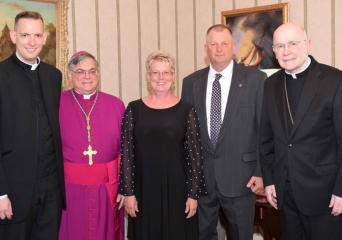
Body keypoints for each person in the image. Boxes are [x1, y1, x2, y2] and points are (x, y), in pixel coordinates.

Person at [181, 24, 266, 240]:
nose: (219, 49)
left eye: (224, 43)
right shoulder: (191, 83)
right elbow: (187, 134)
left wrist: (260, 170)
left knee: (240, 235)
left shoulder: (255, 80)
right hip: (202, 179)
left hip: (242, 177)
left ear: (233, 46)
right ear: (206, 48)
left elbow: (263, 128)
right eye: (213, 44)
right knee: (201, 234)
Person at [260, 22, 342, 240]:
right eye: (279, 46)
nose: (286, 52)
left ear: (308, 44)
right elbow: (266, 138)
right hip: (285, 194)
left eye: (292, 44)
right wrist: (268, 180)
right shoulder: (270, 84)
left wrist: (341, 190)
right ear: (274, 51)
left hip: (325, 195)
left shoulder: (335, 80)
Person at [0, 11, 65, 240]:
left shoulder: (53, 76)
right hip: (12, 193)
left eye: (37, 35)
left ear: (44, 38)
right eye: (25, 35)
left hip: (50, 192)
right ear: (13, 36)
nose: (32, 42)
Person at [119, 50, 207, 240]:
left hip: (178, 190)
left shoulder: (187, 109)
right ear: (148, 76)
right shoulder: (134, 109)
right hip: (143, 189)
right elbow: (127, 153)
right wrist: (128, 193)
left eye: (165, 72)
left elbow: (195, 156)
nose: (161, 77)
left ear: (172, 76)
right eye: (155, 73)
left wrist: (193, 194)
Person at [58, 51, 125, 240]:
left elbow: (127, 151)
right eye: (80, 71)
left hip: (107, 188)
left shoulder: (116, 104)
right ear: (70, 75)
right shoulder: (57, 103)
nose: (87, 76)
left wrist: (125, 186)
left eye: (92, 71)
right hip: (69, 190)